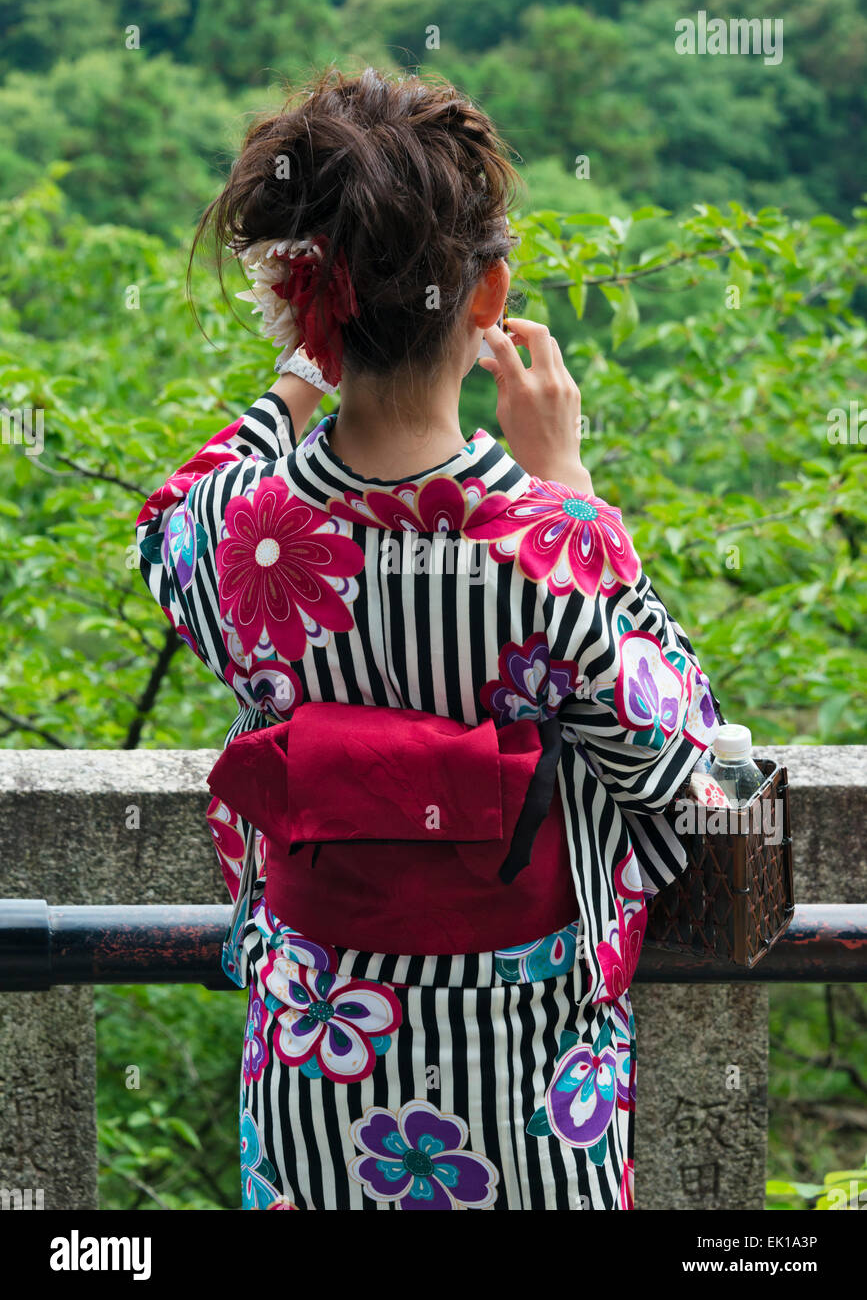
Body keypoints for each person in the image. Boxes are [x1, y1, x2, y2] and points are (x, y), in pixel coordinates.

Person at [135, 65, 721, 1211]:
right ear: (490, 293)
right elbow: (681, 760)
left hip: (316, 1081)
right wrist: (578, 495)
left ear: (310, 300)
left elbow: (163, 518)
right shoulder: (550, 546)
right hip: (531, 1098)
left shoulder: (234, 540)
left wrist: (300, 382)